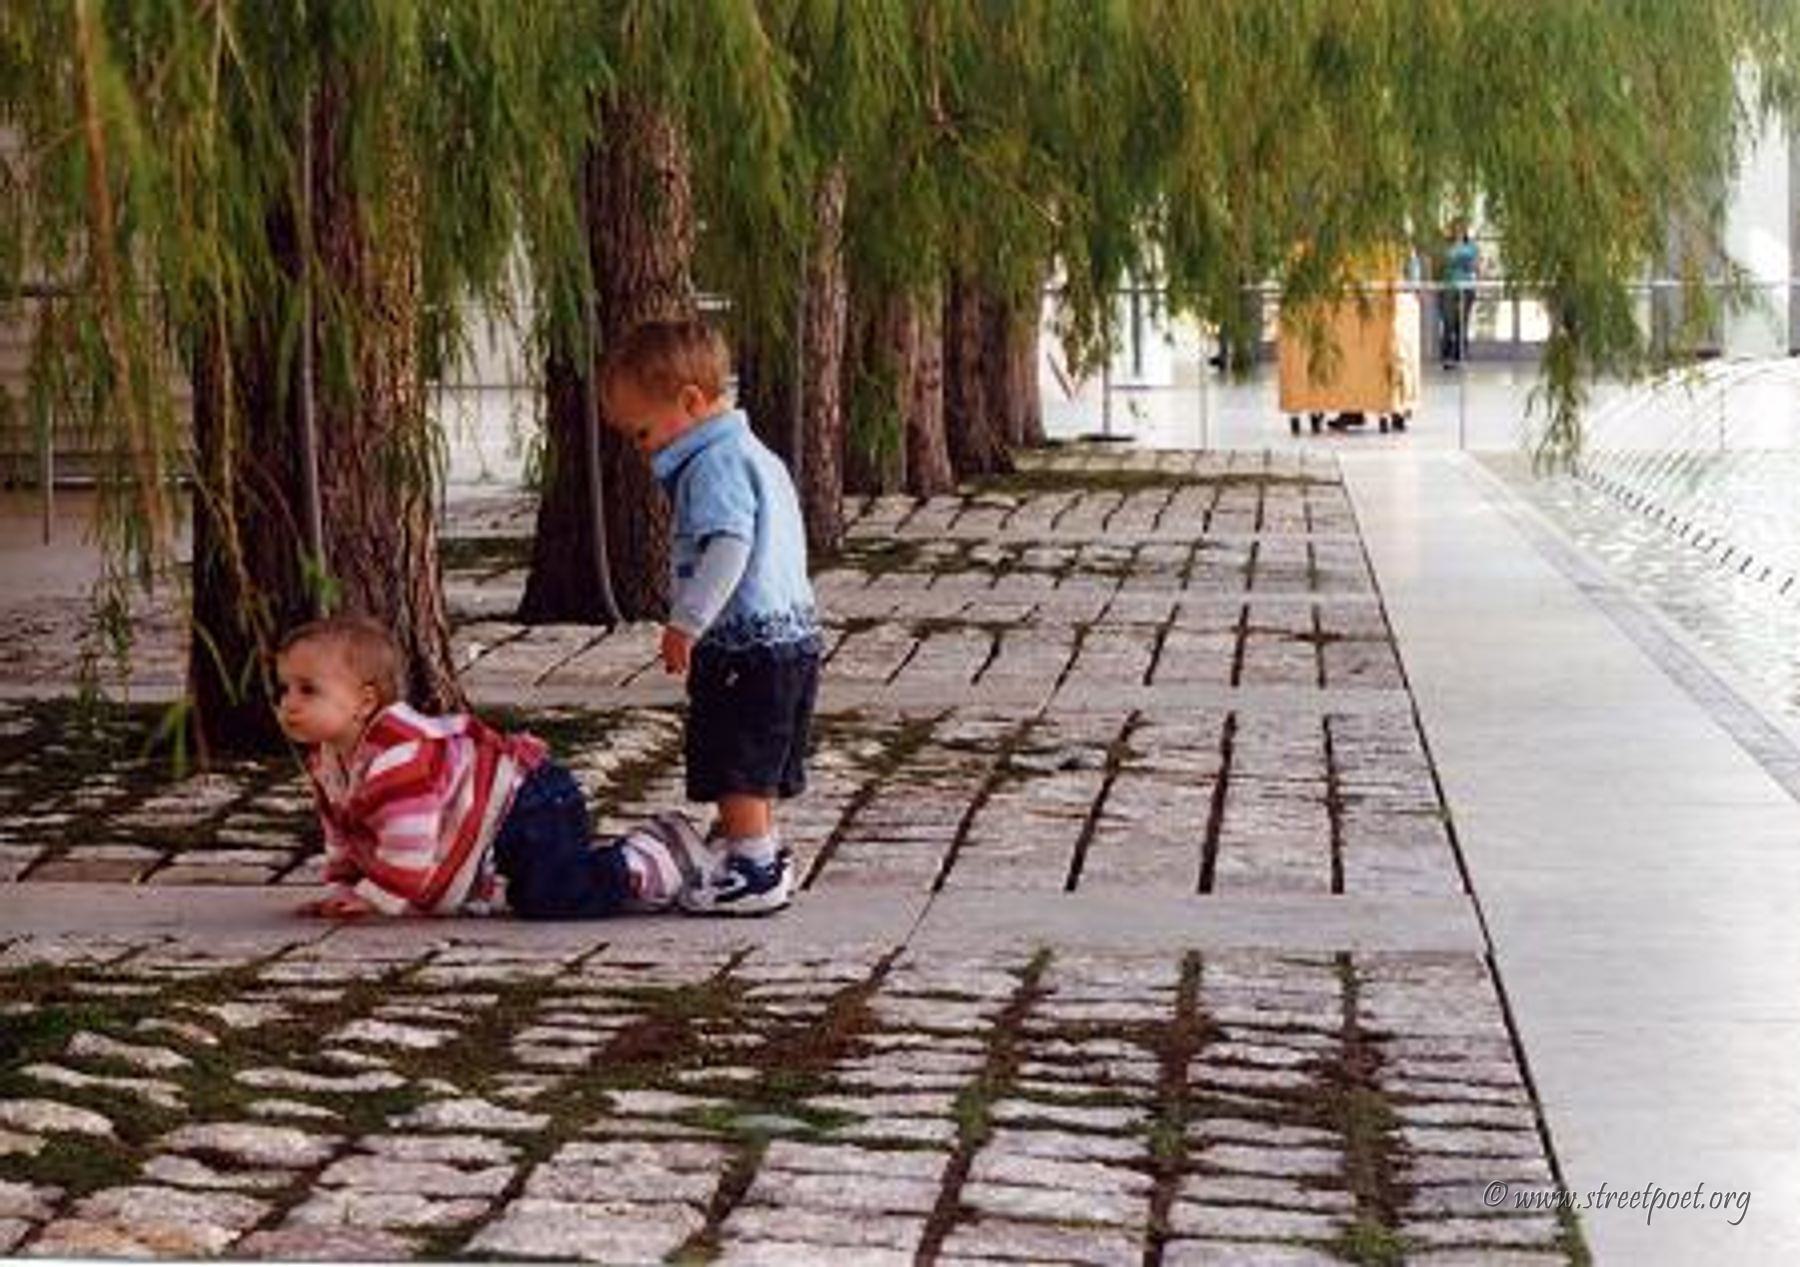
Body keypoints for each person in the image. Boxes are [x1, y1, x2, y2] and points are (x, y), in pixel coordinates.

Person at [600, 318, 821, 916]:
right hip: (791, 637)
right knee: (761, 755)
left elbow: (728, 546)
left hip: (746, 645)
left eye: (643, 432)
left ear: (691, 402)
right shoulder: (754, 453)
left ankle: (753, 867)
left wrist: (688, 621)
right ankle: (762, 849)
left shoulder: (713, 464)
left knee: (735, 760)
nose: (640, 448)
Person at [276, 615, 710, 919]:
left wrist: (376, 898)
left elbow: (409, 842)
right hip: (497, 816)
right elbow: (345, 835)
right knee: (536, 888)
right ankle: (609, 871)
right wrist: (344, 888)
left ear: (365, 701)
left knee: (551, 897)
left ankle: (655, 855)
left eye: (307, 690)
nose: (289, 704)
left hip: (530, 799)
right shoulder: (330, 760)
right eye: (286, 689)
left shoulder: (398, 756)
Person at [1441, 226, 1480, 367]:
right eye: (1456, 229)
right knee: (1448, 321)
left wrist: (1458, 256)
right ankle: (1447, 355)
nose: (1458, 231)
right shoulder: (1446, 246)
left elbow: (1474, 264)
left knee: (1462, 322)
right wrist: (1459, 256)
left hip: (1467, 287)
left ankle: (1460, 355)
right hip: (1450, 287)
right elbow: (1446, 260)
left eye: (1461, 229)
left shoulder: (1472, 246)